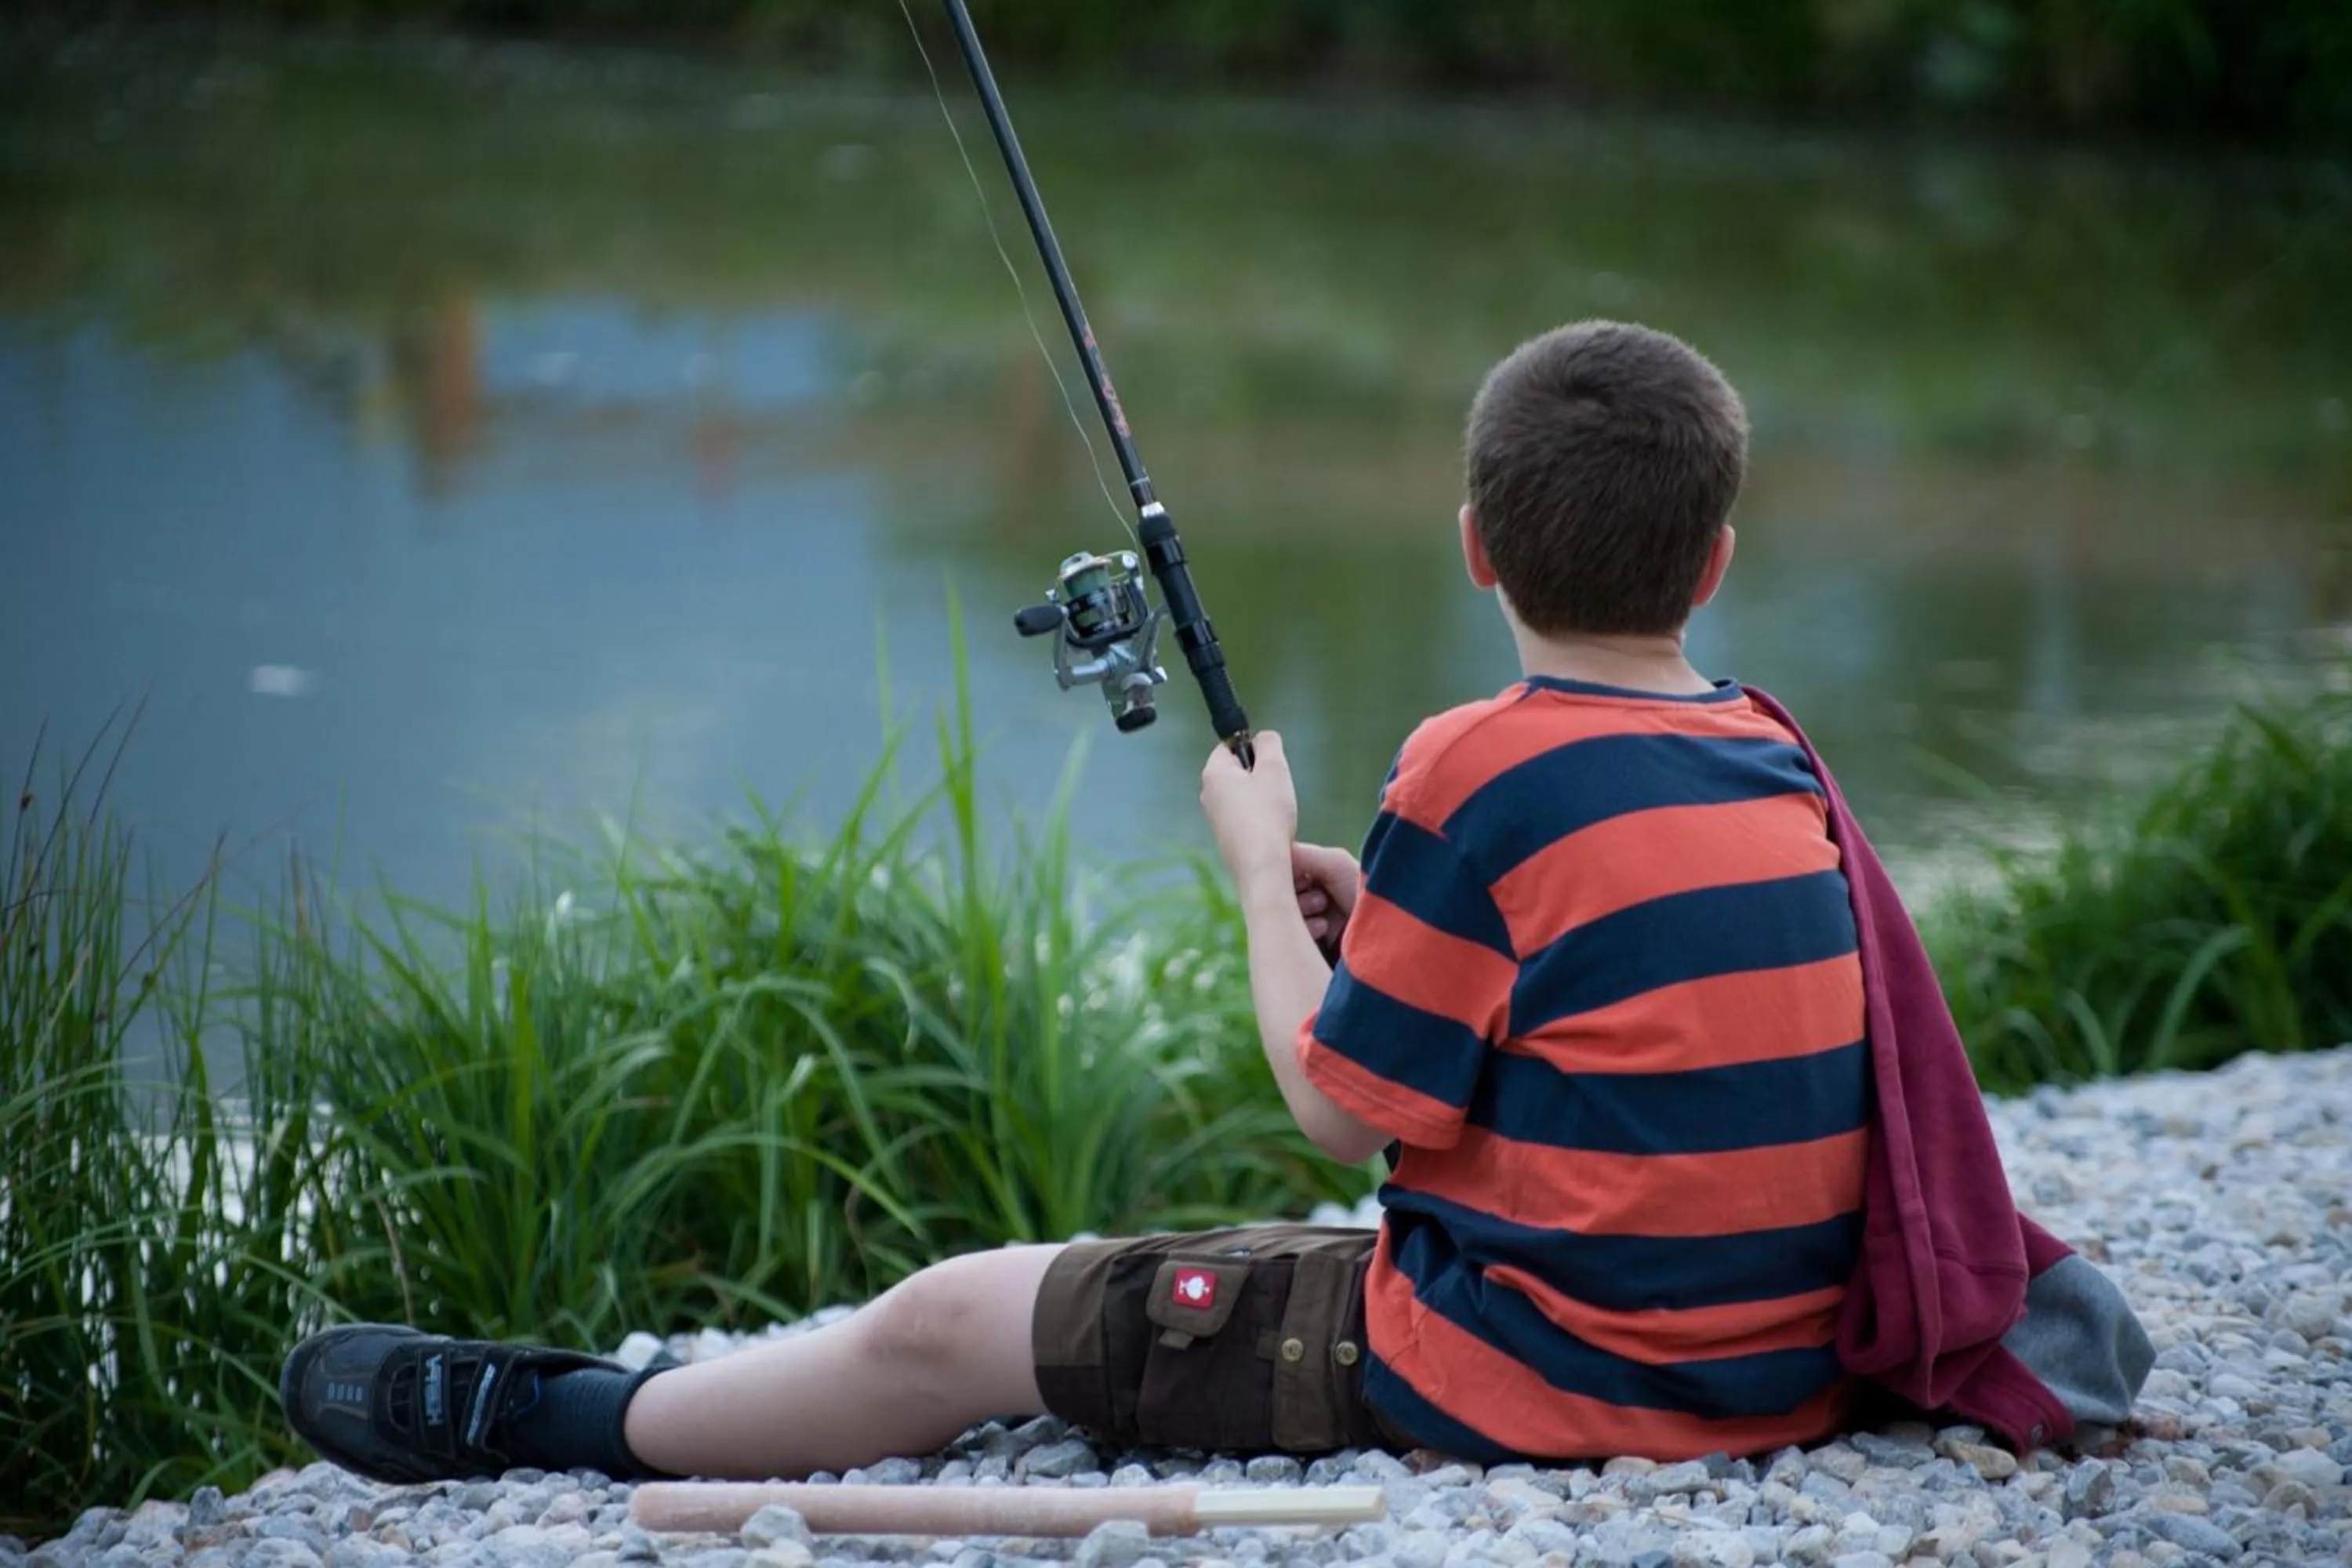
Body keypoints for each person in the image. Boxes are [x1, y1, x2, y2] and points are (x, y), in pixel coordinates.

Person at [279, 320, 2144, 1487]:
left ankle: (561, 1425)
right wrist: (1383, 899)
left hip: (1562, 1378)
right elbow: (1604, 992)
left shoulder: (1479, 766)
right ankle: (629, 1398)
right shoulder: (1767, 756)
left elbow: (1334, 1105)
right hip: (1769, 1357)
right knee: (1126, 1280)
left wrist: (1264, 873)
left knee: (956, 1319)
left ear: (1475, 547)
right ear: (1717, 560)